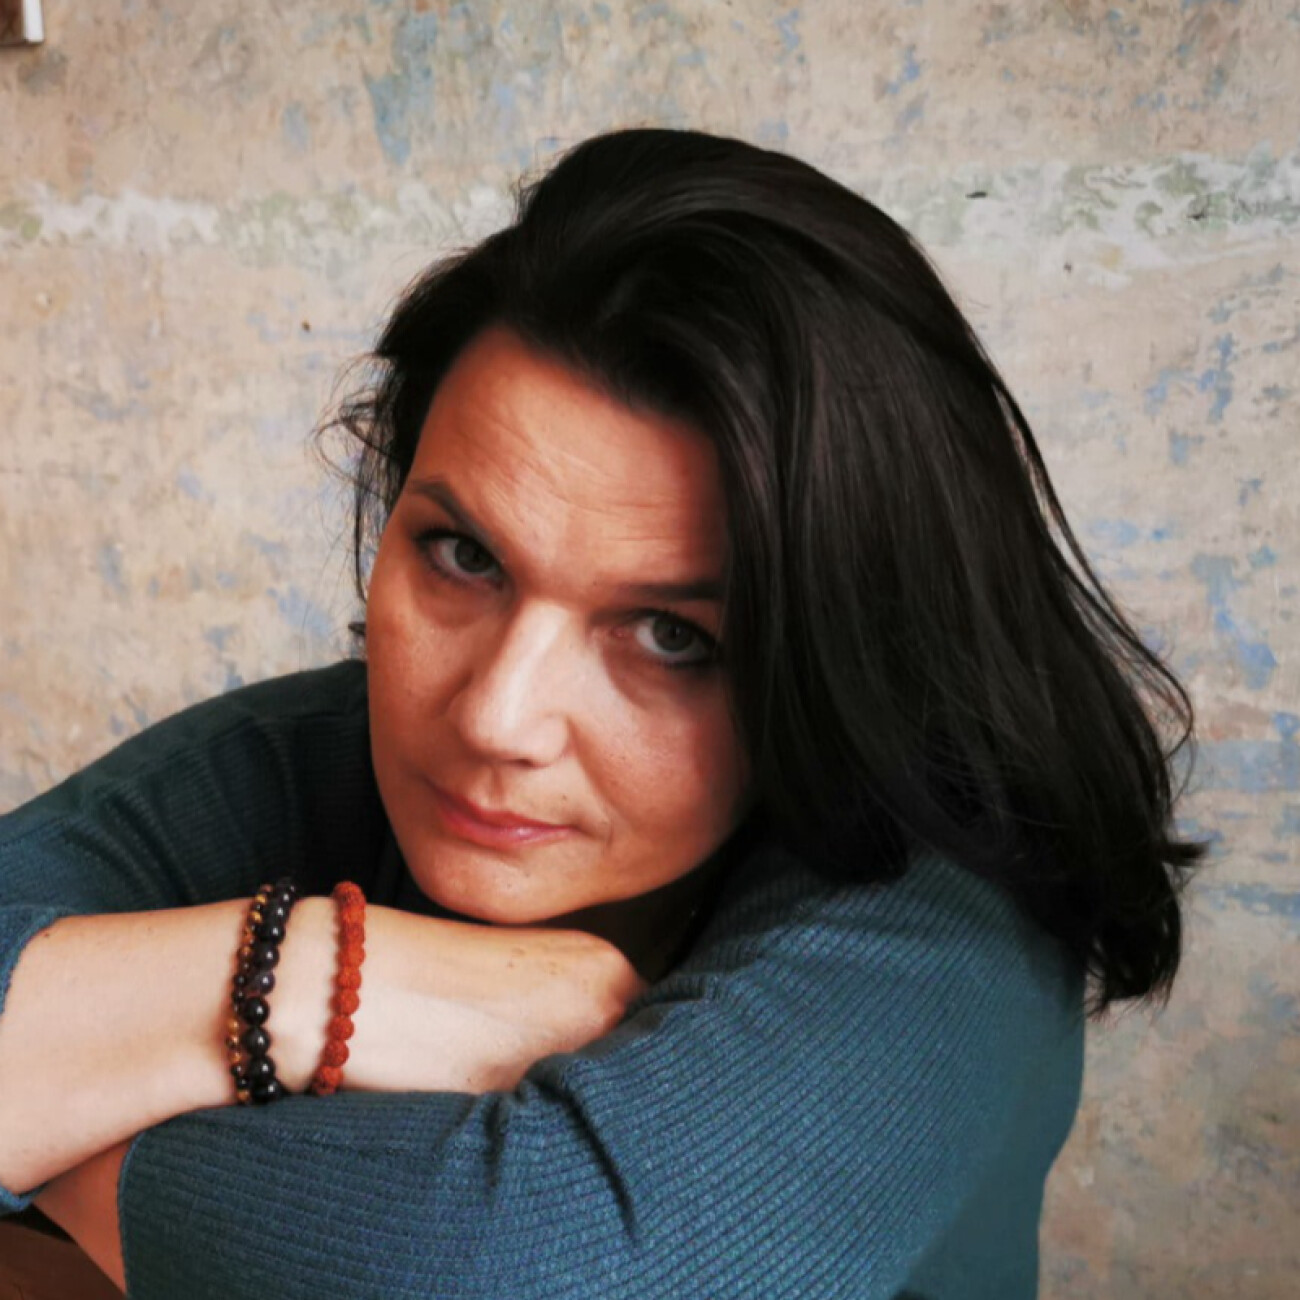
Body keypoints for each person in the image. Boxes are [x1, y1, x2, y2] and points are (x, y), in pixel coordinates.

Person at [0, 128, 1207, 1298]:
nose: (496, 716)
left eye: (672, 634)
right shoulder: (314, 753)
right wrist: (322, 978)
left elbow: (507, 1269)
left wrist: (55, 1113)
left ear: (846, 653)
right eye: (464, 554)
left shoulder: (948, 911)